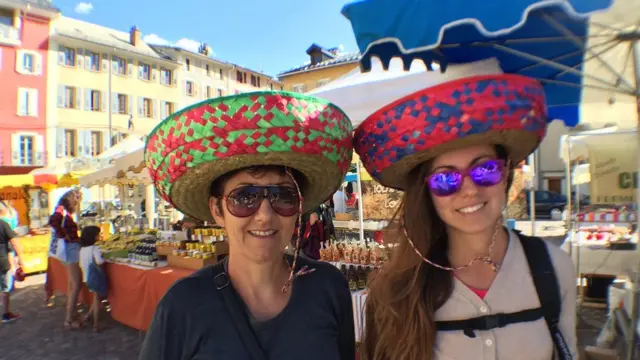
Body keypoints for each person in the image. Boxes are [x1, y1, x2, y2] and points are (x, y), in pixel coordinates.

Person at [356, 73, 577, 360]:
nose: (469, 190)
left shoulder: (554, 268)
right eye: (445, 178)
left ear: (506, 172)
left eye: (485, 169)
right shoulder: (397, 291)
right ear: (427, 191)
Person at [139, 91, 356, 360]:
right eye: (244, 198)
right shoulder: (182, 305)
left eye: (283, 196)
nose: (265, 215)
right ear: (217, 210)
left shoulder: (329, 287)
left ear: (299, 207)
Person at [48, 190, 84, 330]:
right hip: (70, 249)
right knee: (76, 284)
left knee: (72, 284)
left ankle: (71, 314)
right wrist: (64, 235)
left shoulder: (62, 210)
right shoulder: (61, 210)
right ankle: (69, 319)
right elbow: (53, 221)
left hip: (70, 249)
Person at [79, 225, 106, 332]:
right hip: (94, 277)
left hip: (86, 277)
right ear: (94, 237)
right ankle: (96, 324)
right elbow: (100, 261)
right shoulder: (95, 248)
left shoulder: (82, 249)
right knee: (96, 299)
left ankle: (87, 317)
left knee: (97, 298)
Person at [0, 203, 19, 323]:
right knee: (5, 289)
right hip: (2, 259)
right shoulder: (3, 224)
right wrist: (20, 258)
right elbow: (14, 242)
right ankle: (6, 314)